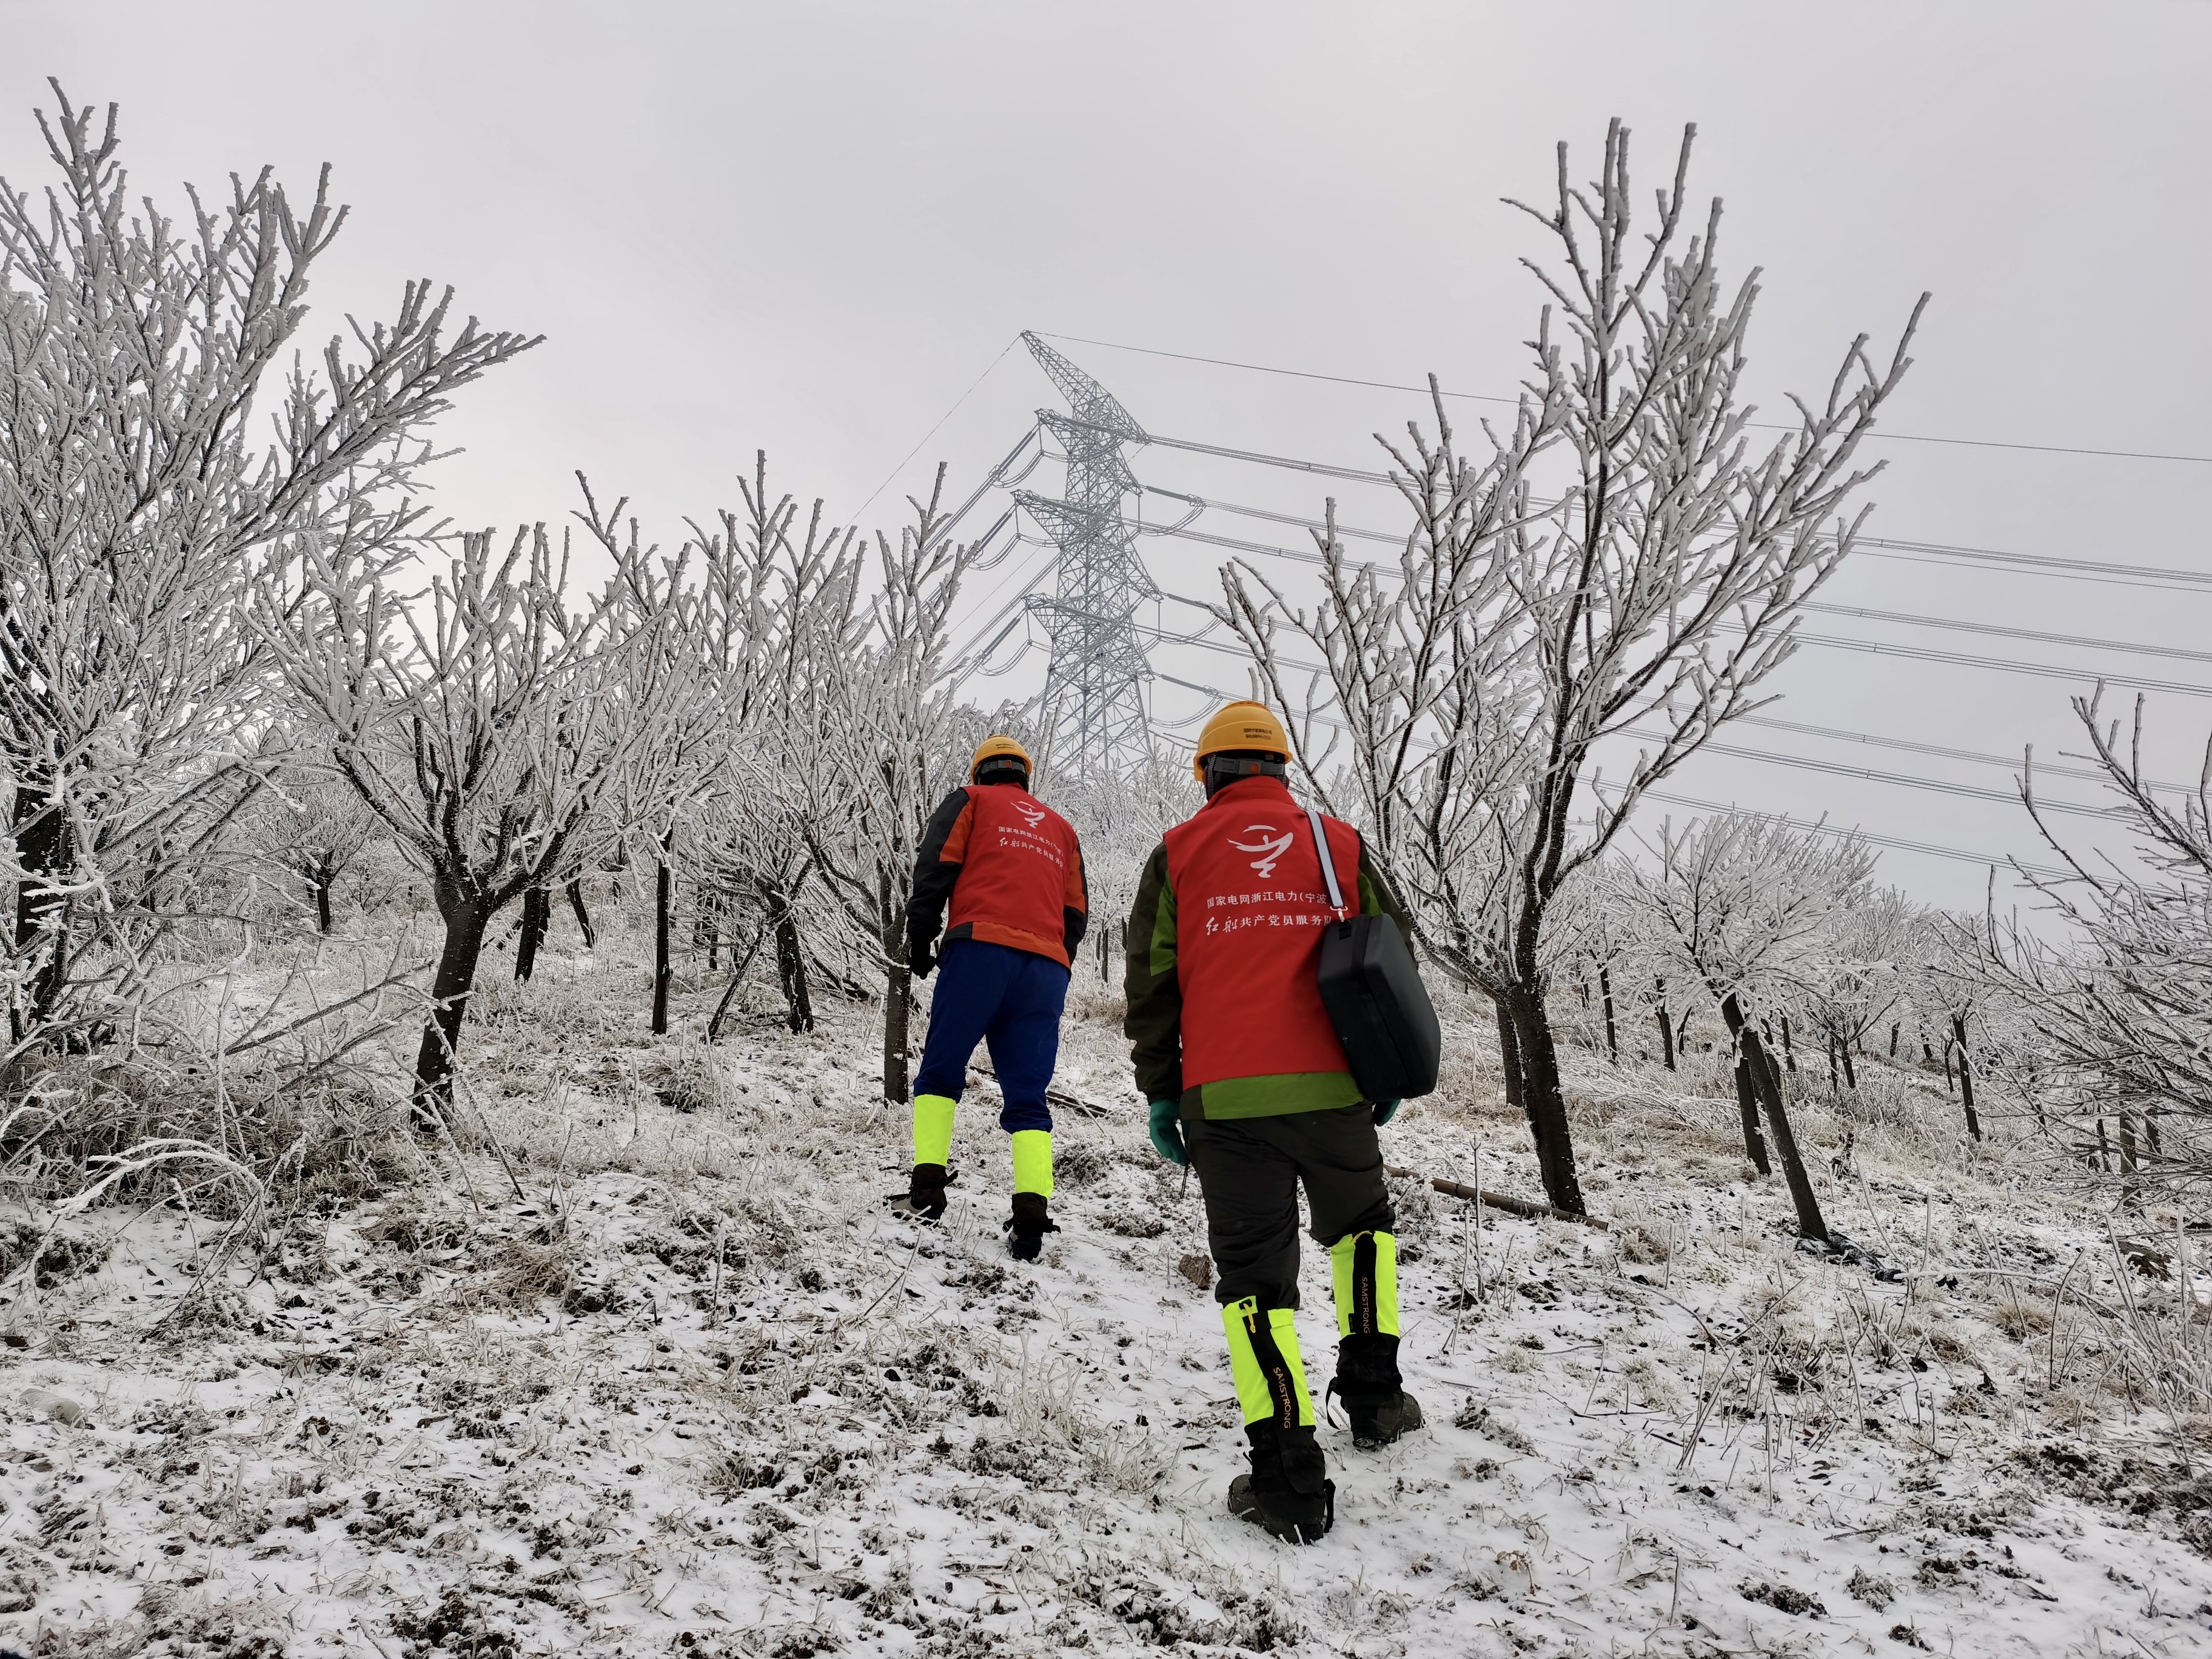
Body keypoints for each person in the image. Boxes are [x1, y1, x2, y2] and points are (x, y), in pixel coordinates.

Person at [1123, 701, 1424, 1544]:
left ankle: (1288, 1478)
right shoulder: (1340, 843)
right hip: (1334, 1094)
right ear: (1281, 771)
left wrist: (1161, 1090)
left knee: (1256, 1284)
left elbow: (1151, 983)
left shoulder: (1176, 855)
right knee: (1363, 1233)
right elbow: (1391, 949)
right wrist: (1388, 1067)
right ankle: (1374, 1400)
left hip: (1227, 1104)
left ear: (1208, 775)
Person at [895, 736, 1088, 1261]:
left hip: (980, 950)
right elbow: (1076, 914)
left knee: (941, 1070)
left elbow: (936, 865)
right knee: (1029, 1096)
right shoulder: (1062, 830)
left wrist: (920, 934)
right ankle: (1030, 1219)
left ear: (981, 772)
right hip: (1046, 968)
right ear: (1025, 776)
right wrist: (1056, 961)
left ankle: (927, 1192)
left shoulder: (970, 801)